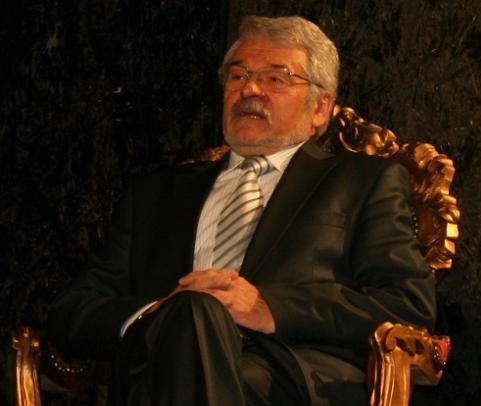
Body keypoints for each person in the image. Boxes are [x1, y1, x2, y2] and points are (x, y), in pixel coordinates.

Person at [48, 15, 436, 406]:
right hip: (161, 373)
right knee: (191, 316)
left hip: (286, 376)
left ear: (320, 108)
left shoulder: (362, 182)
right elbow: (71, 312)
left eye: (276, 78)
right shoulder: (154, 195)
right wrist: (161, 314)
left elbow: (406, 305)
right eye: (238, 76)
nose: (249, 89)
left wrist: (268, 307)